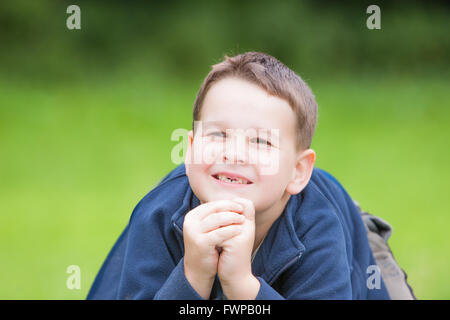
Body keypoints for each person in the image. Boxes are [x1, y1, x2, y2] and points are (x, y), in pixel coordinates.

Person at [87, 52, 391, 299]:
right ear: (191, 149)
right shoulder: (157, 214)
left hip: (351, 235)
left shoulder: (319, 226)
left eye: (261, 141)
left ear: (297, 172)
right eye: (218, 134)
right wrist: (192, 275)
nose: (234, 153)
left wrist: (243, 287)